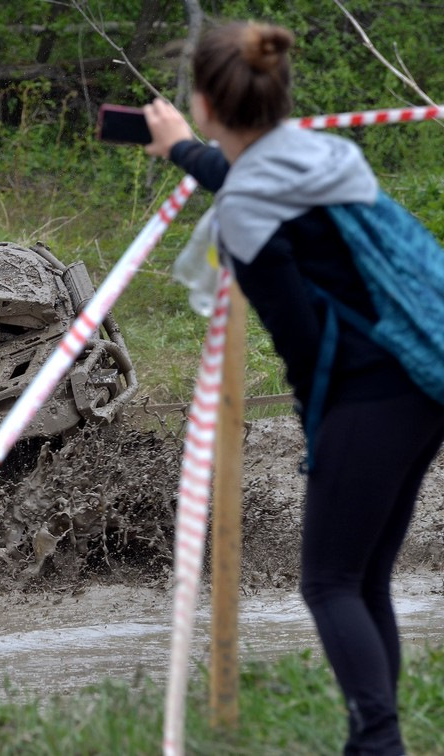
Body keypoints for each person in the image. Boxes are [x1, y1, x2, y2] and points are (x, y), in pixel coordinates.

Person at [142, 21, 444, 755]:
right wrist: (182, 151)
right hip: (426, 375)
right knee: (364, 576)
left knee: (330, 582)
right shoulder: (324, 153)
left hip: (370, 393)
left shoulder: (248, 211)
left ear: (208, 103)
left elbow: (302, 346)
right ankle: (372, 742)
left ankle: (379, 744)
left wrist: (321, 436)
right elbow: (249, 176)